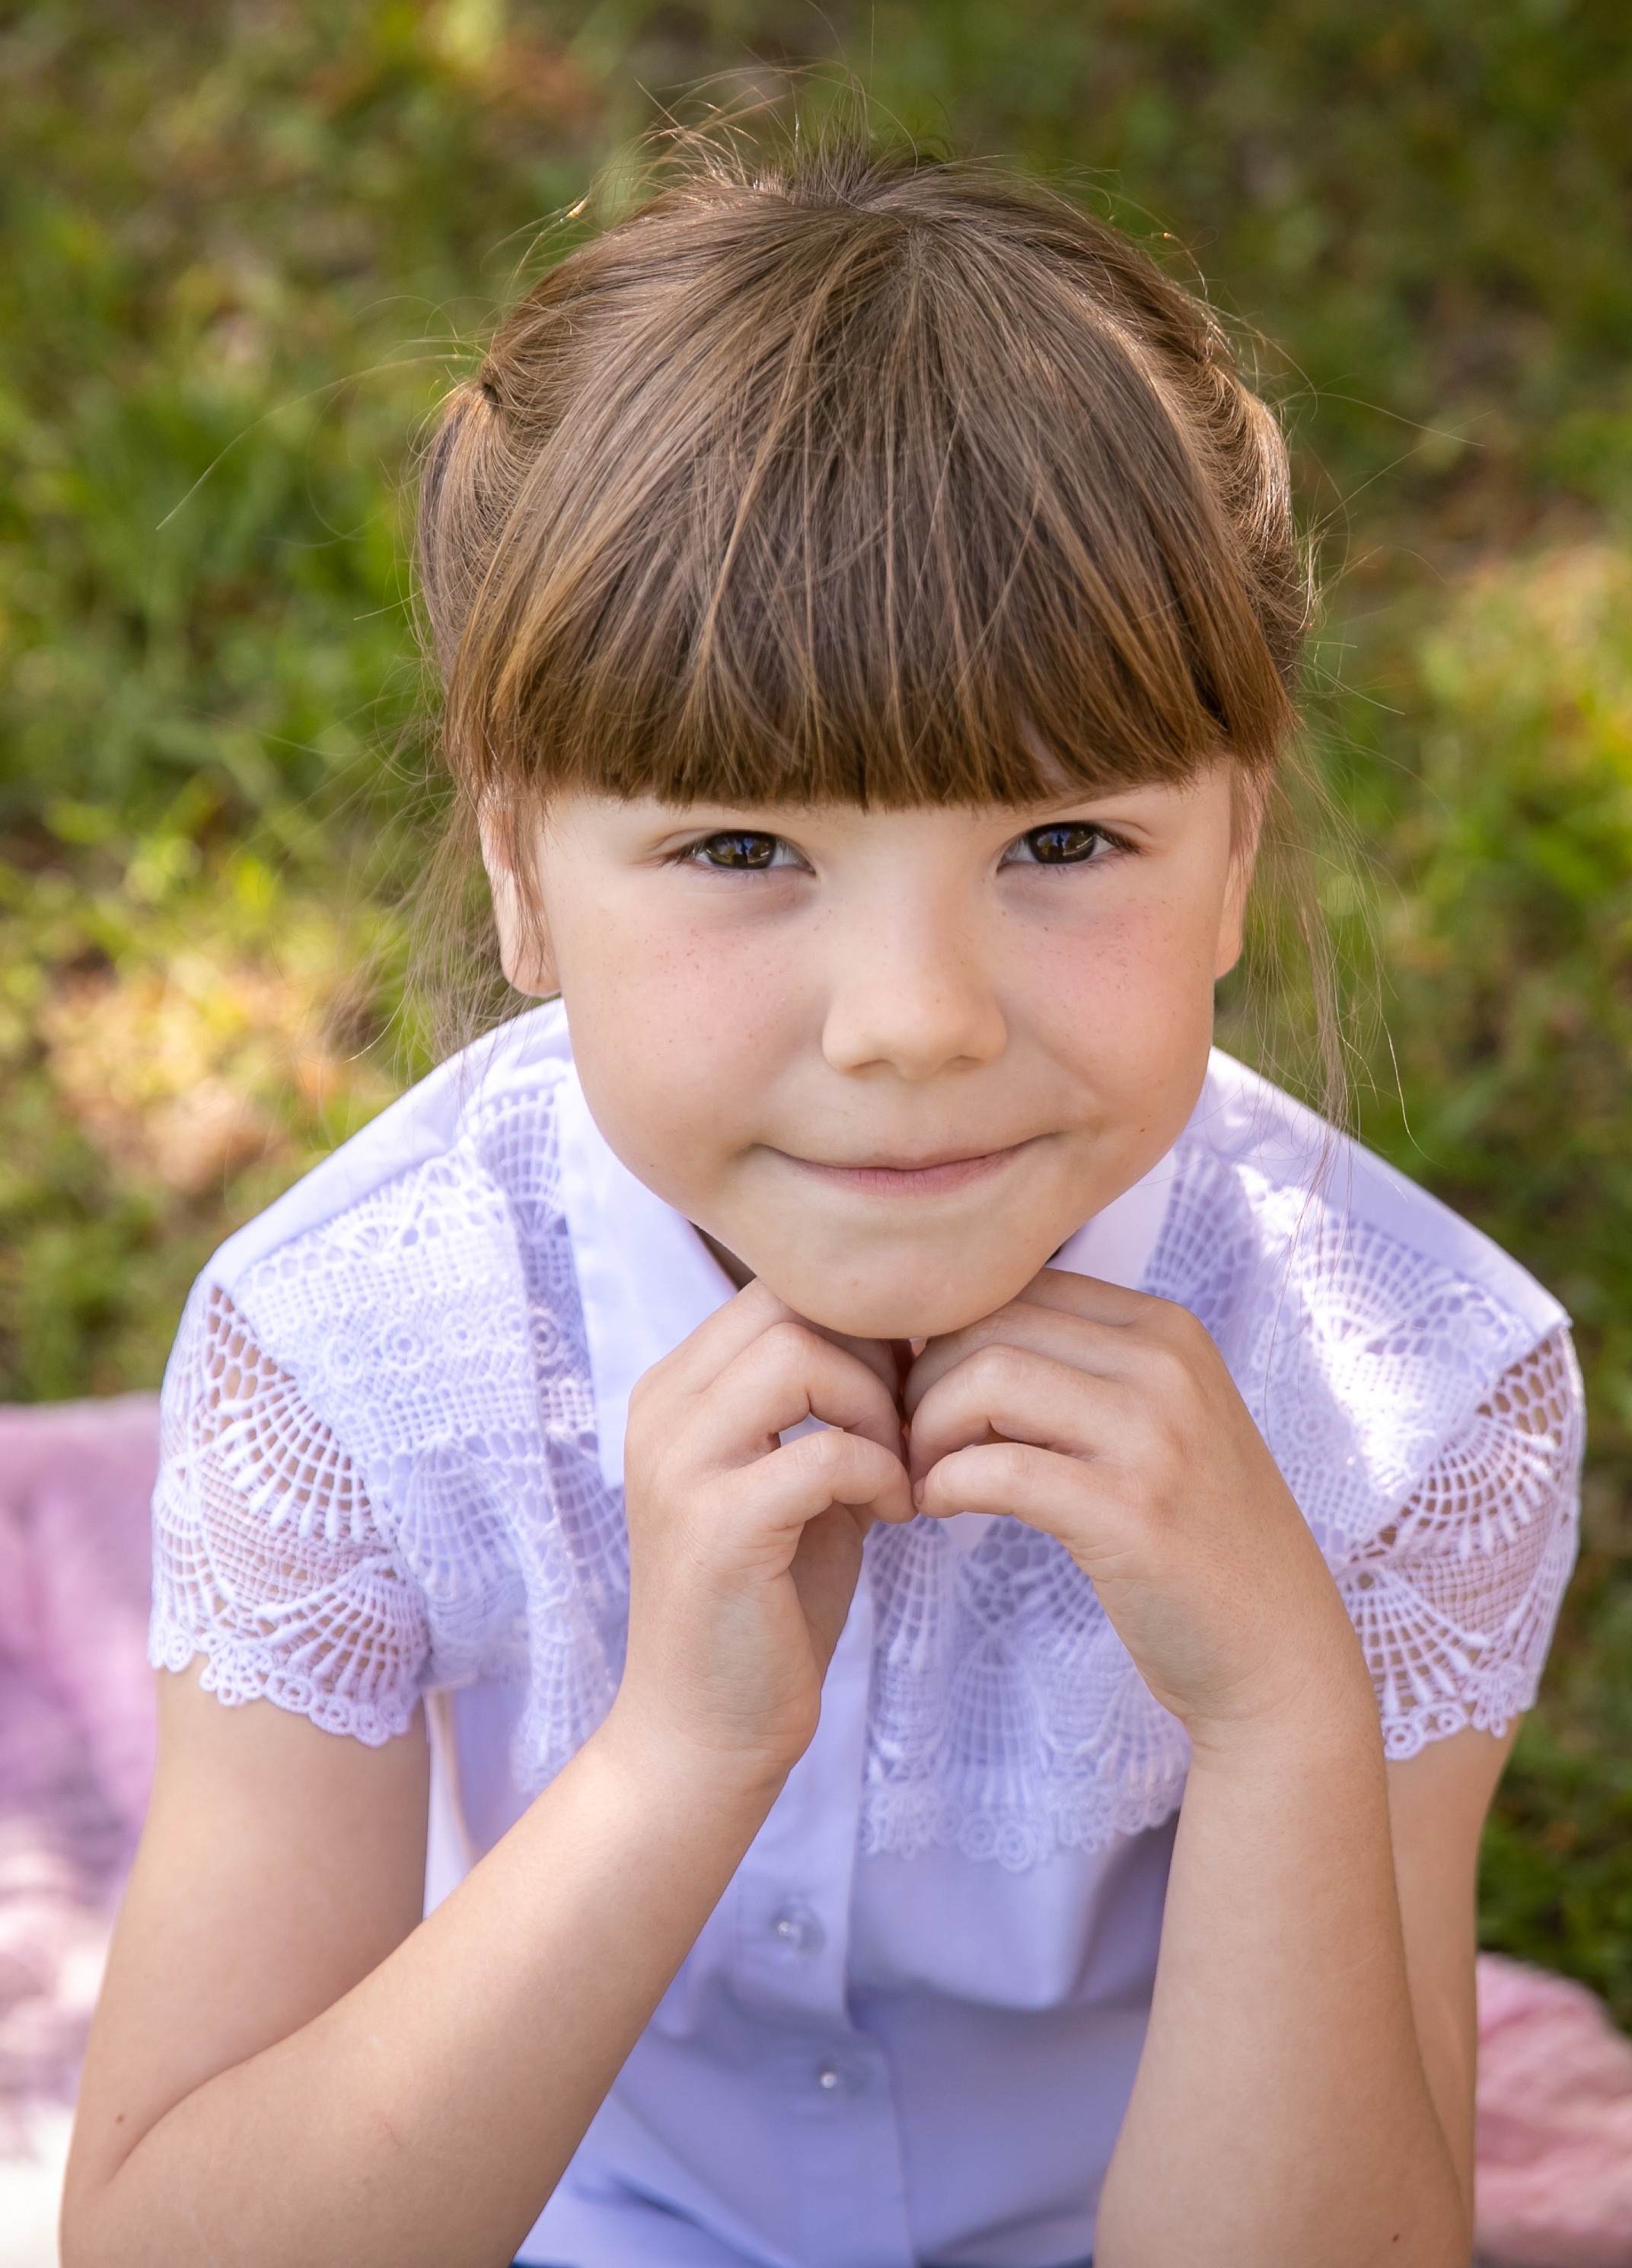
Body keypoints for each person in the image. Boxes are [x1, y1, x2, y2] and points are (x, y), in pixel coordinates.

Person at [62, 129, 1582, 2268]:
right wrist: (676, 1756)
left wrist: (1278, 1711)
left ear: (1237, 848)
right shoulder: (351, 1353)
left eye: (1061, 845)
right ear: (519, 868)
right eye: (742, 851)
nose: (912, 1025)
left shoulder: (1416, 1398)